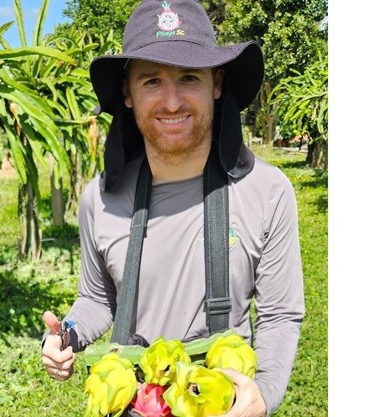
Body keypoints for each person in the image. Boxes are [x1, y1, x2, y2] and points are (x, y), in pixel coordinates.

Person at [41, 1, 305, 416]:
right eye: (151, 81)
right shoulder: (100, 199)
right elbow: (97, 298)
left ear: (217, 83)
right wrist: (66, 335)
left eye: (189, 77)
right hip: (135, 404)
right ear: (127, 93)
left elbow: (280, 314)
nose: (172, 101)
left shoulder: (267, 191)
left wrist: (263, 396)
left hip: (223, 404)